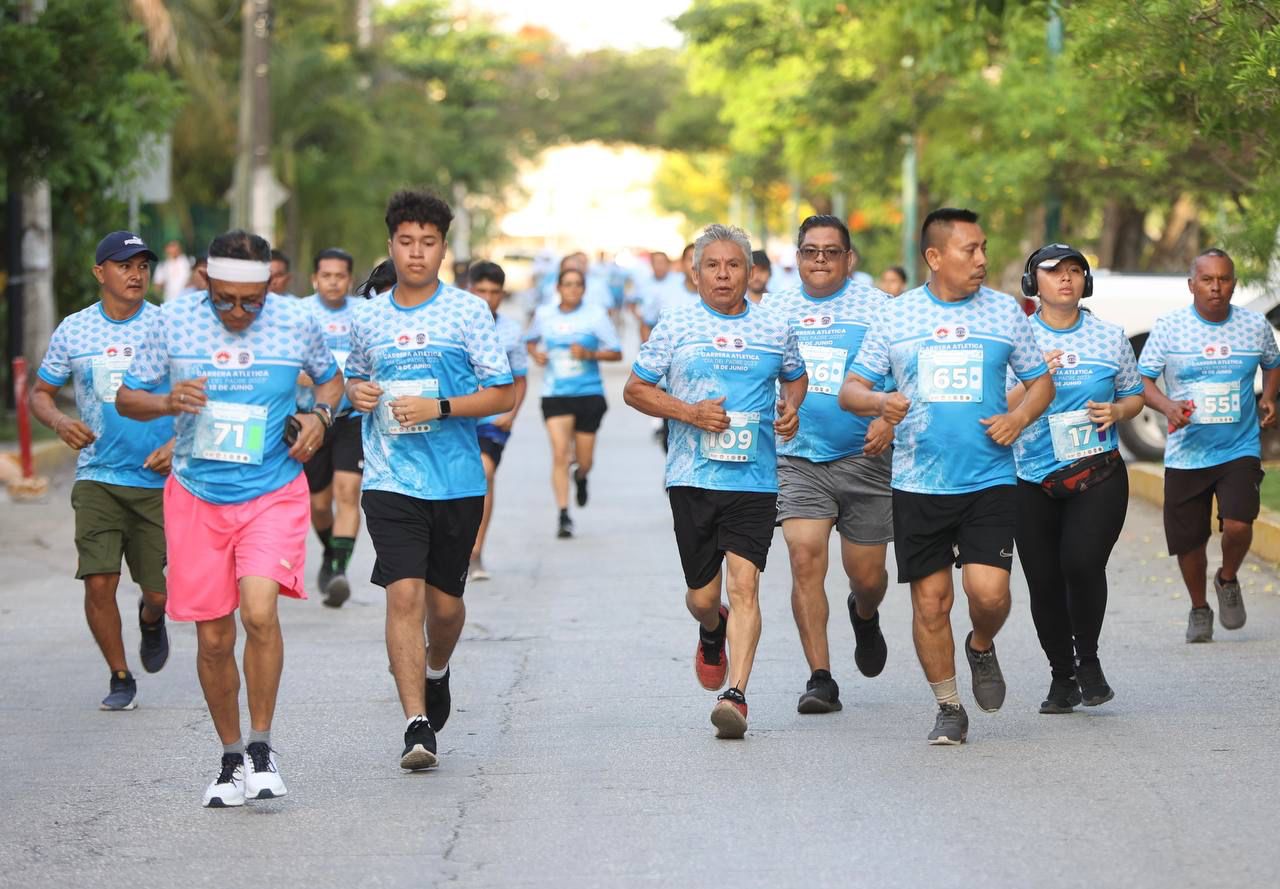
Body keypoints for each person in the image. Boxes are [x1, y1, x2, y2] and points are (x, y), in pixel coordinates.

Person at [117, 229, 342, 807]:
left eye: (253, 301)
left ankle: (263, 748)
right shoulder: (169, 323)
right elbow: (127, 396)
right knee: (214, 637)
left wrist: (319, 415)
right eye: (225, 300)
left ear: (271, 286)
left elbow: (332, 380)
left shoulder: (296, 321)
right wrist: (167, 402)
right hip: (196, 494)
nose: (239, 312)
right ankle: (230, 756)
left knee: (260, 612)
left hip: (271, 489)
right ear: (204, 282)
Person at [840, 207, 1054, 745]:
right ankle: (948, 705)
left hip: (988, 480)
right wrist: (879, 402)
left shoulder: (1006, 313)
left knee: (989, 592)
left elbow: (1041, 383)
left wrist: (1018, 417)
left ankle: (981, 645)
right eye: (970, 250)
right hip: (918, 483)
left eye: (984, 247)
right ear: (935, 257)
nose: (982, 259)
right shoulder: (896, 317)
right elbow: (851, 391)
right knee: (931, 603)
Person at [344, 190, 515, 772]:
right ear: (390, 245)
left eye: (429, 242)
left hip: (457, 481)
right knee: (404, 596)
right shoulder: (365, 315)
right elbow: (354, 381)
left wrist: (439, 407)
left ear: (443, 248)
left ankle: (437, 668)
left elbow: (502, 392)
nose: (417, 253)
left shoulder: (468, 312)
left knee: (444, 609)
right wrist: (357, 394)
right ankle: (416, 725)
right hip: (390, 480)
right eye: (406, 241)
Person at [623, 224, 807, 739]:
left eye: (733, 265)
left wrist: (791, 408)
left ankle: (737, 694)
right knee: (704, 597)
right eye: (713, 265)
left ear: (750, 272)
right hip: (692, 476)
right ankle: (711, 628)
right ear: (695, 272)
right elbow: (636, 389)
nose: (723, 275)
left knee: (746, 584)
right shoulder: (677, 324)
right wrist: (690, 412)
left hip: (755, 478)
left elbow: (795, 375)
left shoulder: (774, 326)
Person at [30, 231, 174, 711]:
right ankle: (119, 676)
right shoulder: (73, 330)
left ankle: (152, 619)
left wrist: (177, 444)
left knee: (158, 592)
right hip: (98, 476)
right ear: (100, 273)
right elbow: (39, 393)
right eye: (124, 265)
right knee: (98, 580)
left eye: (142, 266)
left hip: (156, 479)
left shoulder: (166, 327)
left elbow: (199, 392)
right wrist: (59, 421)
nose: (136, 274)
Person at [764, 216, 893, 714]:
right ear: (797, 257)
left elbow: (906, 372)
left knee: (867, 577)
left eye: (831, 252)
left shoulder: (879, 308)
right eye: (811, 251)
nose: (820, 259)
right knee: (803, 555)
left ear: (849, 259)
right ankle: (820, 677)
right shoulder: (773, 309)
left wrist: (890, 421)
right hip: (798, 458)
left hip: (865, 457)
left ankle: (864, 614)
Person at [1008, 244, 1145, 713]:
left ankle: (1088, 660)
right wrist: (1030, 380)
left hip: (1097, 470)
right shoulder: (1016, 337)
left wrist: (1119, 410)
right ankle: (1061, 677)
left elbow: (1133, 397)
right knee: (1043, 580)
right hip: (1030, 476)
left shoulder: (1110, 337)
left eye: (1075, 272)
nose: (1066, 280)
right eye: (1054, 273)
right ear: (1033, 283)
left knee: (1082, 564)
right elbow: (995, 408)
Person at [1138, 248, 1280, 642]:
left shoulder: (1254, 326)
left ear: (1233, 282)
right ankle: (1199, 608)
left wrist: (1268, 396)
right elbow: (1143, 380)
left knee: (1238, 523)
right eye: (1207, 279)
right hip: (1186, 451)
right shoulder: (1169, 328)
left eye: (1224, 279)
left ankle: (1228, 577)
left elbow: (1273, 361)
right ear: (1192, 285)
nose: (1216, 287)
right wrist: (1168, 406)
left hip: (1239, 446)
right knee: (1191, 539)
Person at [525, 266, 622, 539]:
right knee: (560, 455)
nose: (572, 289)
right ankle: (564, 515)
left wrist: (589, 354)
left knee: (584, 460)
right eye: (567, 284)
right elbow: (530, 341)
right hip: (555, 393)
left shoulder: (595, 315)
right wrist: (537, 355)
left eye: (577, 284)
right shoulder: (544, 314)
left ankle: (581, 477)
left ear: (584, 288)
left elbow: (616, 352)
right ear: (558, 288)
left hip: (588, 394)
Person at [300, 247, 364, 606]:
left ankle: (339, 569)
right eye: (326, 275)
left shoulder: (363, 314)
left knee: (347, 492)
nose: (333, 282)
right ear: (315, 279)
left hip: (352, 419)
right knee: (319, 505)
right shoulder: (300, 314)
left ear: (349, 280)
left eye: (340, 276)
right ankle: (330, 554)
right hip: (312, 420)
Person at [468, 260, 529, 580]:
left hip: (493, 419)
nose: (487, 298)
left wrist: (511, 413)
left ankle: (476, 551)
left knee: (484, 472)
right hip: (457, 416)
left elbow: (520, 377)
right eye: (481, 291)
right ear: (469, 289)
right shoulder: (455, 322)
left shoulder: (510, 331)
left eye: (494, 292)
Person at [153, 239, 192, 304]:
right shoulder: (162, 265)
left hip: (186, 302)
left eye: (174, 246)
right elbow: (157, 287)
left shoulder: (188, 262)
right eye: (170, 246)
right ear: (166, 249)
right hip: (169, 302)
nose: (173, 249)